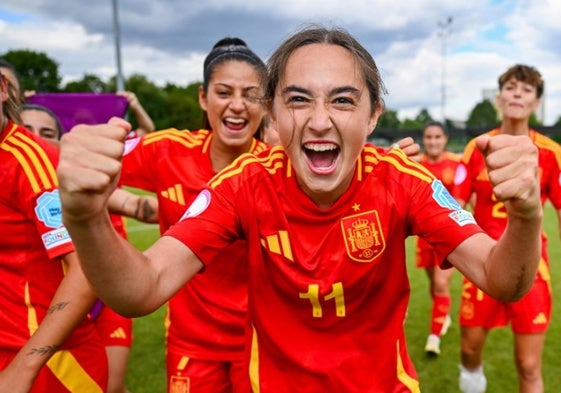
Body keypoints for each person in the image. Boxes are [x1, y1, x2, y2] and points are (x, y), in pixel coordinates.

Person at [56, 26, 542, 392]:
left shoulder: (403, 180)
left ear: (374, 115)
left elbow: (501, 279)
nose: (320, 120)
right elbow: (143, 289)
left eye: (344, 100)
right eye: (298, 99)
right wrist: (86, 218)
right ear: (273, 112)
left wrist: (525, 216)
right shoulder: (243, 184)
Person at [120, 37, 268, 393]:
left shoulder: (277, 168)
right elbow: (72, 162)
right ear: (203, 98)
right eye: (224, 92)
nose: (237, 105)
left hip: (262, 340)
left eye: (251, 95)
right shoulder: (167, 151)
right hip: (192, 343)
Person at [20, 102, 157, 393]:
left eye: (46, 132)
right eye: (27, 130)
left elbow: (136, 205)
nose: (35, 138)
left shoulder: (87, 187)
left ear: (61, 139)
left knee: (111, 386)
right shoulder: (16, 183)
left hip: (107, 300)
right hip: (54, 315)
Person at [0, 56, 108, 392]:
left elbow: (87, 271)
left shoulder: (31, 162)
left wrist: (24, 368)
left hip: (51, 364)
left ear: (3, 89)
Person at [453, 64, 561, 393]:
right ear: (500, 98)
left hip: (532, 268)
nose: (518, 93)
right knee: (470, 350)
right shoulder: (476, 148)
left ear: (536, 104)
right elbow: (453, 206)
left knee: (529, 366)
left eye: (527, 89)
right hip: (482, 262)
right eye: (512, 87)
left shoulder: (552, 153)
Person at [415, 121, 461, 356]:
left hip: (450, 236)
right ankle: (444, 314)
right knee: (435, 284)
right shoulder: (416, 165)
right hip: (424, 237)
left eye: (437, 137)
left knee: (442, 284)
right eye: (429, 137)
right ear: (424, 140)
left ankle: (433, 338)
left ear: (445, 139)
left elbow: (462, 199)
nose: (433, 141)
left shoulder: (457, 164)